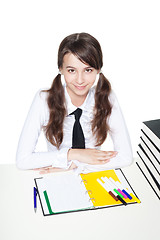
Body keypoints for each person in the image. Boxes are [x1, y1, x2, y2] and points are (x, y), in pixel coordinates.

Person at [16, 32, 133, 174]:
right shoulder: (44, 99)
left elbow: (125, 157)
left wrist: (73, 166)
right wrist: (73, 154)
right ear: (61, 69)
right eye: (72, 70)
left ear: (98, 70)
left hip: (85, 174)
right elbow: (23, 160)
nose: (80, 80)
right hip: (58, 179)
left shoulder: (107, 97)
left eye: (88, 70)